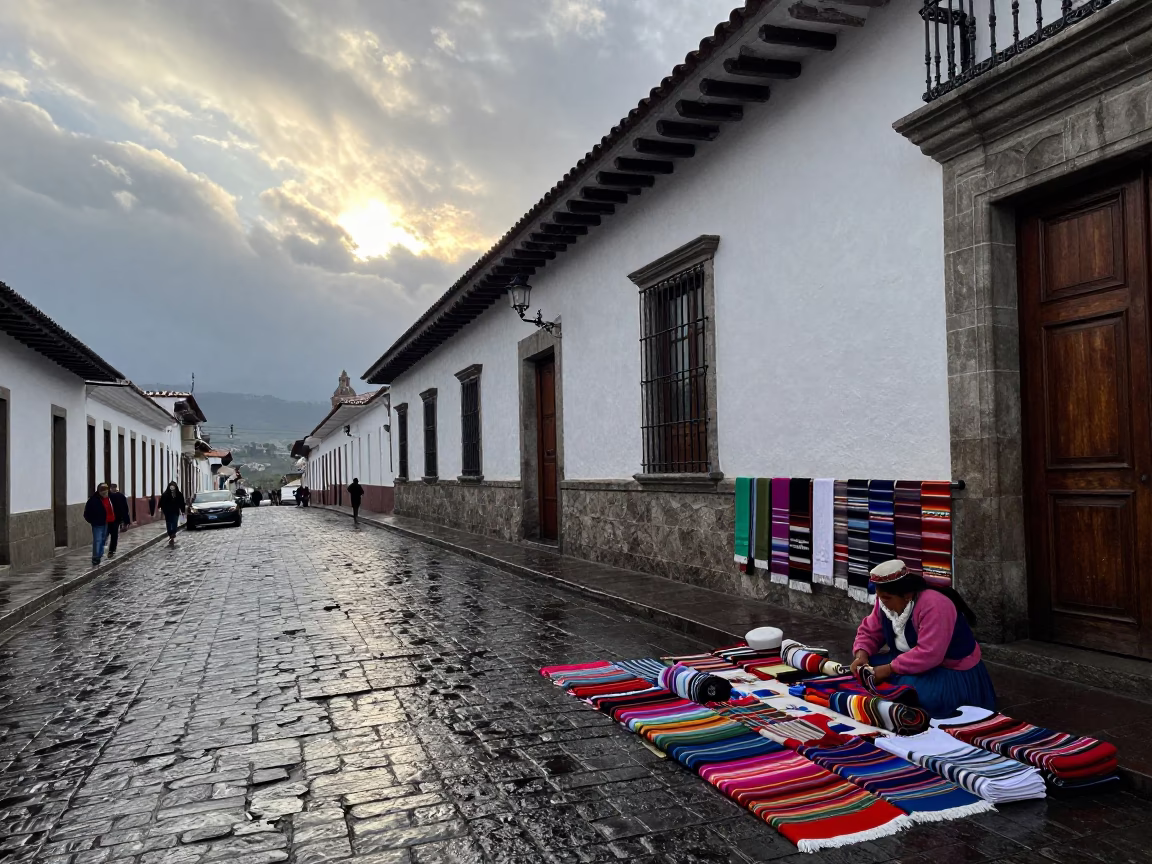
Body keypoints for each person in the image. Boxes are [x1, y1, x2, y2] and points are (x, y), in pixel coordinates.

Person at [851, 560, 996, 718]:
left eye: (886, 598)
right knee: (864, 672)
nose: (882, 603)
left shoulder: (935, 605)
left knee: (917, 697)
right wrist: (861, 654)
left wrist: (888, 669)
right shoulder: (884, 601)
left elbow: (930, 653)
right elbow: (871, 630)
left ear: (906, 595)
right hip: (903, 660)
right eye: (880, 598)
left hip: (947, 669)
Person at [83, 483, 115, 566]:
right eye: (103, 492)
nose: (105, 493)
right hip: (97, 523)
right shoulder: (93, 500)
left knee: (103, 539)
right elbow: (86, 513)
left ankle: (99, 555)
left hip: (106, 522)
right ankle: (96, 557)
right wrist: (92, 521)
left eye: (106, 491)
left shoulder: (110, 498)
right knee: (98, 540)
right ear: (99, 491)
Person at [106, 483, 132, 557]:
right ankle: (110, 550)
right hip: (112, 519)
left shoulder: (114, 496)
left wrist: (126, 521)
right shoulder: (117, 496)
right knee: (112, 535)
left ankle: (110, 550)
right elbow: (125, 509)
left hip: (113, 519)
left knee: (111, 534)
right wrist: (126, 521)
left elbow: (125, 509)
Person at [158, 481, 186, 546]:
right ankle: (170, 533)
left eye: (173, 486)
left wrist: (183, 510)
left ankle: (173, 533)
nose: (172, 487)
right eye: (171, 486)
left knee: (174, 522)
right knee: (168, 522)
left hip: (175, 511)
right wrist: (162, 509)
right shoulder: (165, 494)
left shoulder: (179, 494)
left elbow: (182, 502)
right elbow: (162, 502)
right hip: (167, 511)